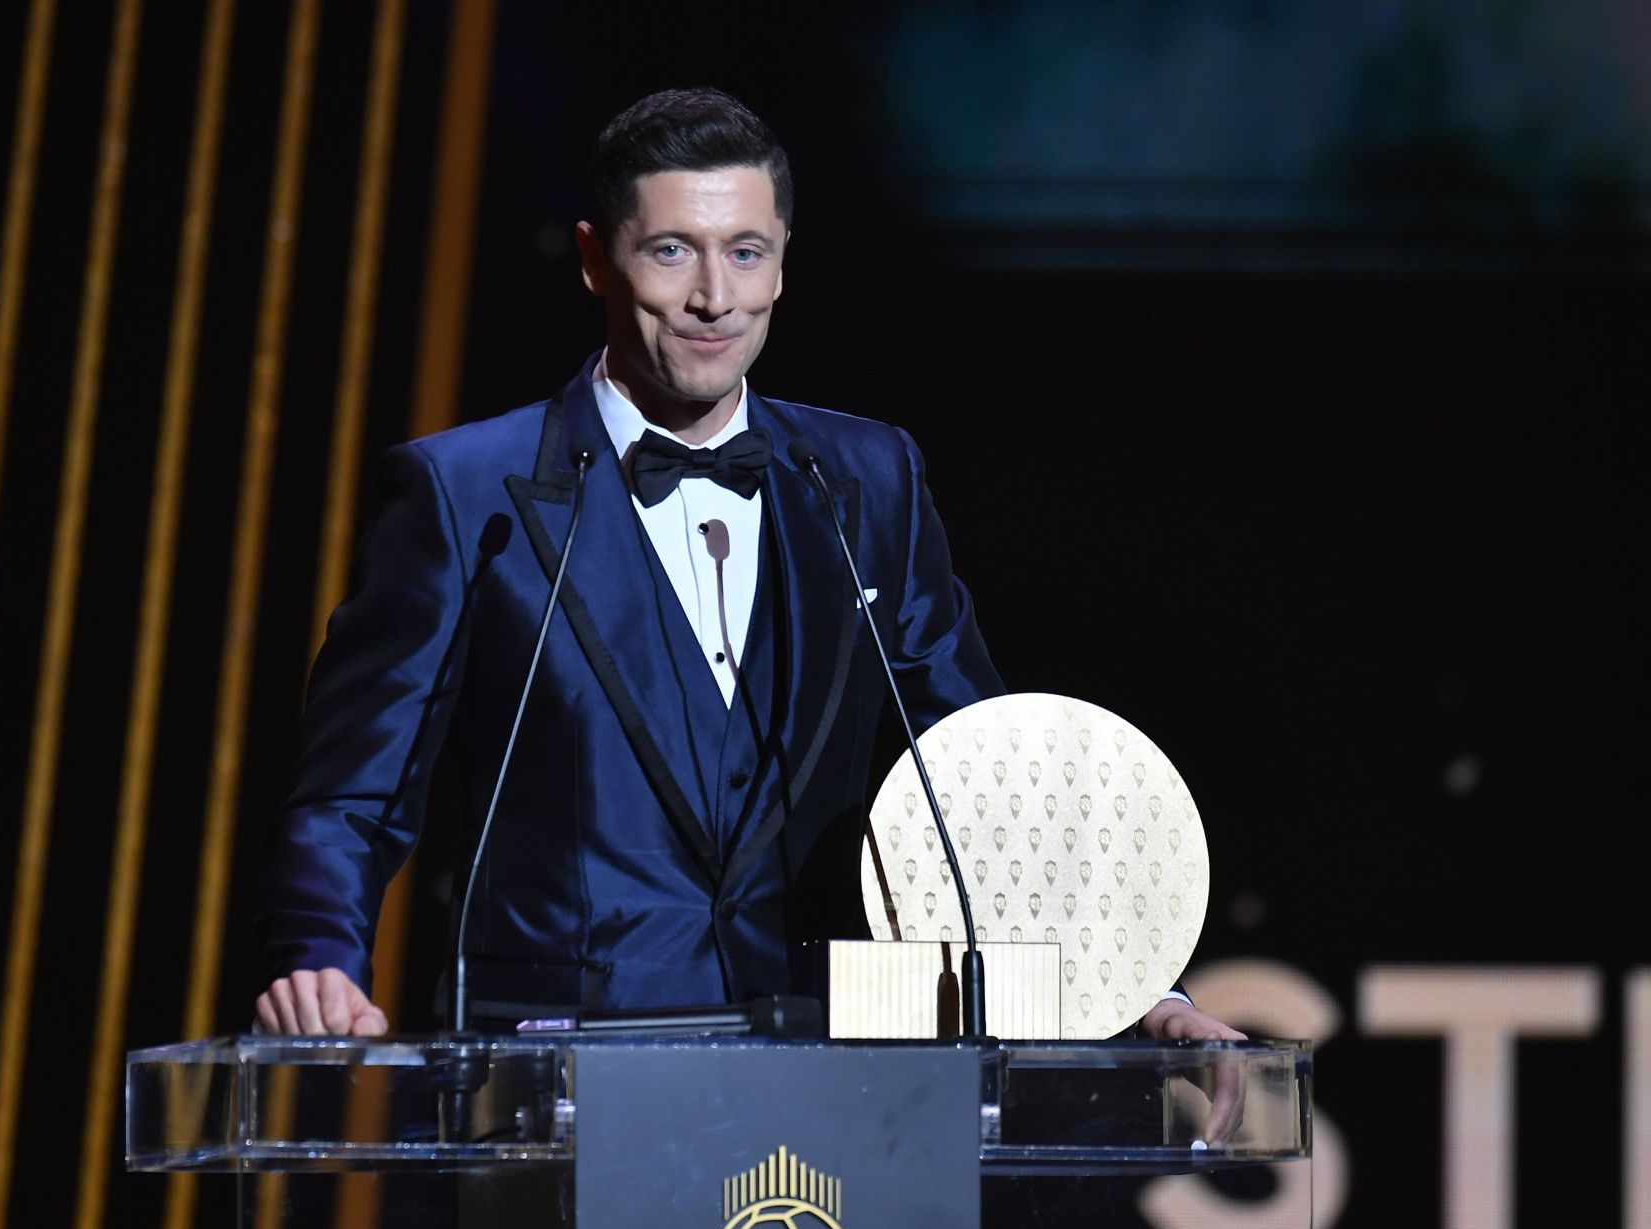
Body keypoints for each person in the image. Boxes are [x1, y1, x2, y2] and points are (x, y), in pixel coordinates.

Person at [253, 88, 1242, 1066]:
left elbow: (971, 777)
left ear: (781, 264)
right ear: (598, 259)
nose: (714, 299)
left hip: (838, 1073)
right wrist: (319, 959)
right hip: (558, 1084)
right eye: (671, 251)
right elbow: (355, 792)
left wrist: (1138, 988)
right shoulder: (465, 494)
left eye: (746, 253)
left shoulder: (869, 480)